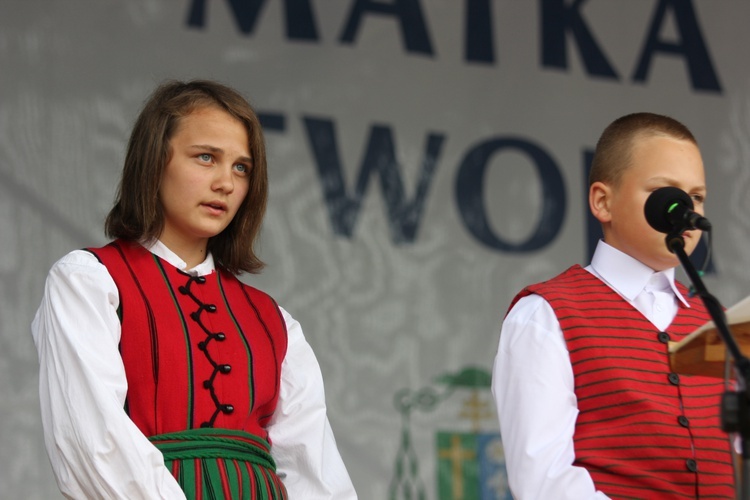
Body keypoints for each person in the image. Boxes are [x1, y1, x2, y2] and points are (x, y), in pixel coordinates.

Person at [32, 79, 358, 499]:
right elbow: (92, 442)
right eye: (206, 157)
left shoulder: (274, 321)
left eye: (241, 167)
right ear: (154, 162)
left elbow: (316, 471)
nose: (226, 182)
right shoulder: (89, 282)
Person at [491, 112, 735, 499]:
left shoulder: (721, 324)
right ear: (603, 202)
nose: (686, 211)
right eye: (666, 194)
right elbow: (544, 482)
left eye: (697, 197)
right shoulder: (547, 315)